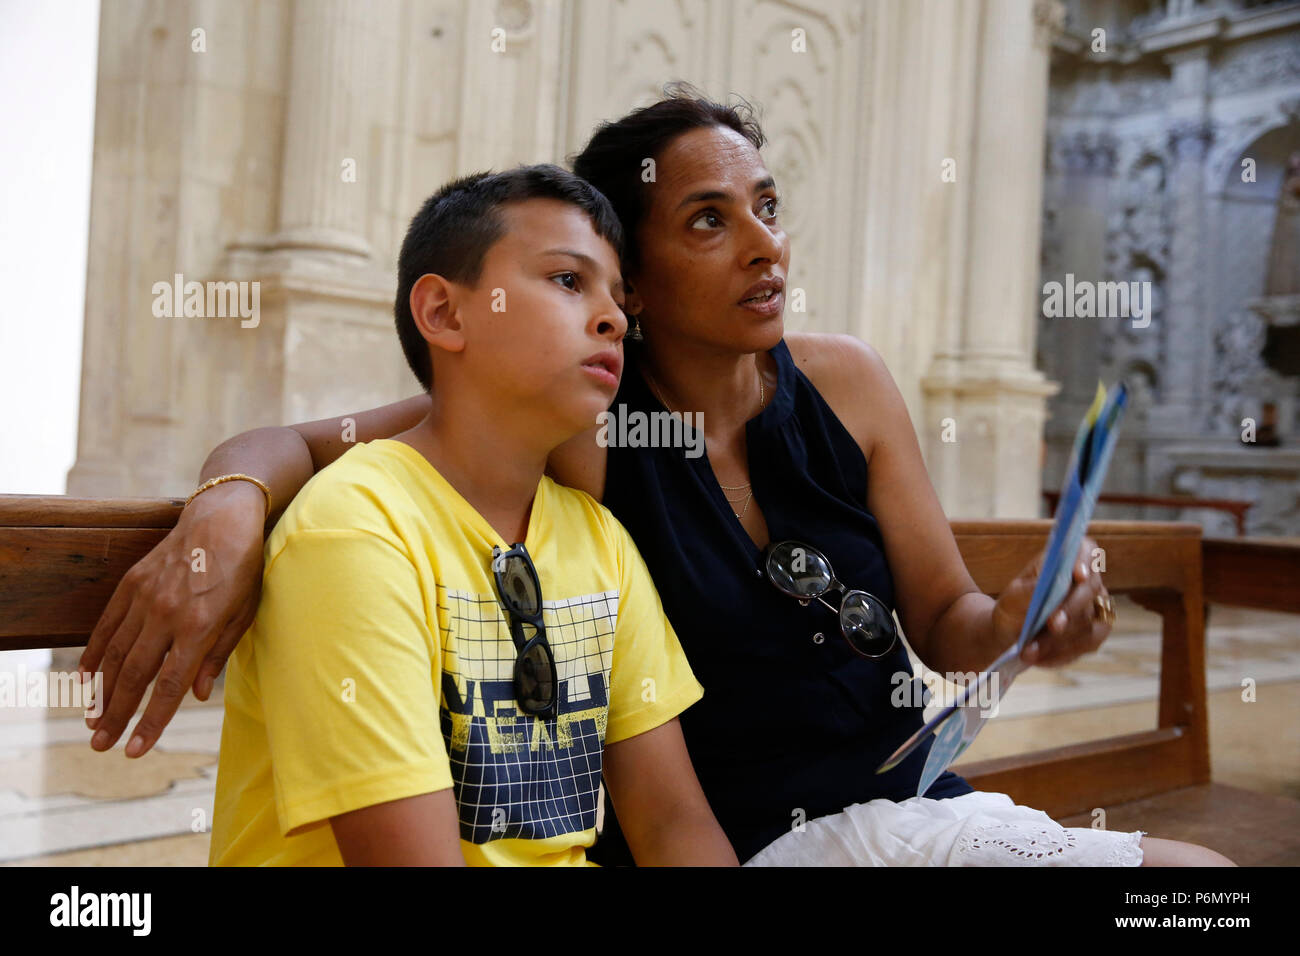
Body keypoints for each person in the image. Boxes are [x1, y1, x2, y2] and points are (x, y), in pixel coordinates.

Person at [82, 86, 1232, 867]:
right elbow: (304, 440)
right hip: (758, 837)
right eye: (708, 220)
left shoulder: (848, 384)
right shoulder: (586, 431)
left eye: (767, 210)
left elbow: (947, 619)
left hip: (907, 806)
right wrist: (224, 513)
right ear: (628, 277)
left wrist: (1033, 616)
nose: (765, 245)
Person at [204, 164, 736, 865]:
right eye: (568, 281)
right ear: (446, 314)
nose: (614, 319)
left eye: (617, 299)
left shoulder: (599, 540)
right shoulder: (356, 530)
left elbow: (674, 824)